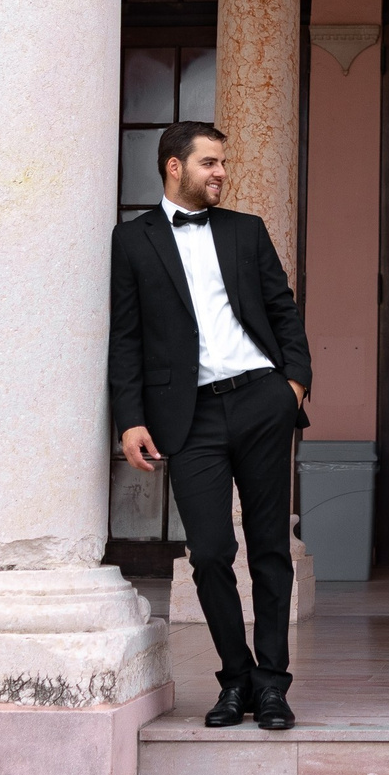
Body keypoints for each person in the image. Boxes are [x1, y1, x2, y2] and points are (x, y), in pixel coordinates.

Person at [108, 121, 314, 732]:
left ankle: (273, 685)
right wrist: (129, 420)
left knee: (271, 550)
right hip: (188, 416)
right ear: (175, 167)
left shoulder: (246, 231)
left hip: (260, 401)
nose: (221, 173)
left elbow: (284, 309)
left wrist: (293, 386)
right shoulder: (132, 241)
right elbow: (125, 339)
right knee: (210, 554)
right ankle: (236, 678)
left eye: (222, 163)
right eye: (210, 163)